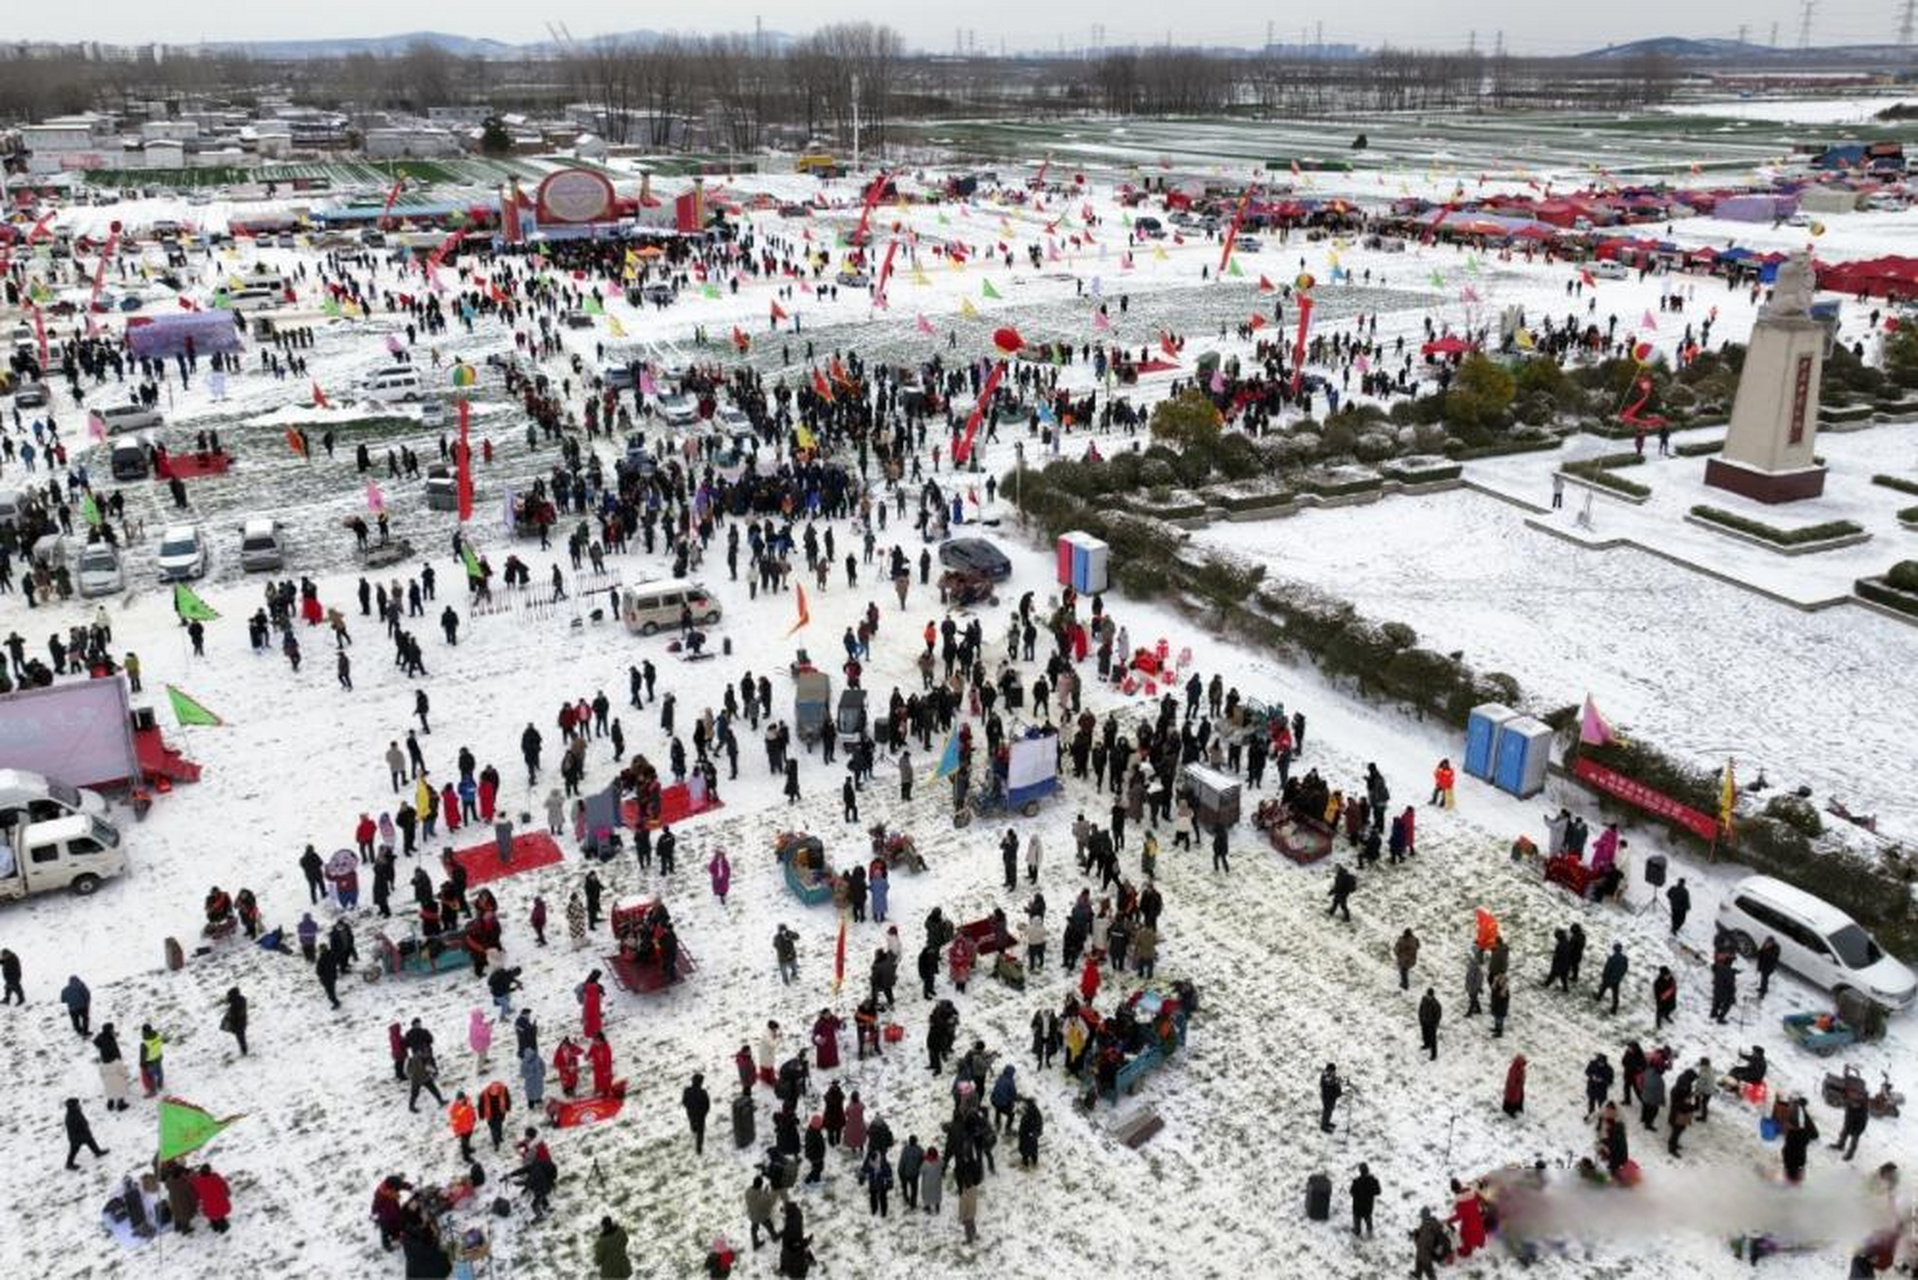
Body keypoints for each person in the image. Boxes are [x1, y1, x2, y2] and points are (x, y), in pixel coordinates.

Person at [64, 1098, 108, 1169]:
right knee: (74, 1150)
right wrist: (82, 1132)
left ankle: (97, 1152)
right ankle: (69, 1164)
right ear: (73, 1106)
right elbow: (74, 1128)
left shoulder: (76, 1111)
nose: (79, 1105)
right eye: (77, 1104)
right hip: (77, 1137)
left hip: (83, 1134)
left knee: (91, 1142)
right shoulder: (71, 1116)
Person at [1349, 1162, 1380, 1237]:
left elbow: (1351, 1192)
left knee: (1357, 1220)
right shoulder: (1373, 1181)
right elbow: (1378, 1192)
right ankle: (1369, 1231)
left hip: (1357, 1207)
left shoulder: (1356, 1181)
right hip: (1368, 1206)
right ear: (1368, 1170)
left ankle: (1357, 1231)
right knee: (1368, 1218)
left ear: (1360, 1171)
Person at [683, 1073, 711, 1154]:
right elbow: (707, 1105)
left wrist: (689, 1108)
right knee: (700, 1132)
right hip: (700, 1115)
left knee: (692, 1122)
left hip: (691, 1112)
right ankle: (699, 1148)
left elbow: (684, 1101)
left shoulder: (687, 1090)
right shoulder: (703, 1093)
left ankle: (693, 1129)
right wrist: (704, 1114)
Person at [1417, 988, 1441, 1061]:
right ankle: (1426, 1044)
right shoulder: (1423, 1000)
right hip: (1424, 1022)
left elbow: (1438, 1015)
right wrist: (1421, 1019)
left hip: (1431, 1024)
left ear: (1432, 996)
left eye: (1430, 996)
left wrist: (1435, 1024)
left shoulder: (1436, 1004)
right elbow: (1420, 1010)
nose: (1428, 997)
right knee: (1425, 1034)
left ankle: (1434, 1054)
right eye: (1428, 995)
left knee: (1433, 1039)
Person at [1319, 1063, 1342, 1133]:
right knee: (1327, 1111)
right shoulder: (1326, 1076)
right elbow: (1329, 1085)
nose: (1333, 1072)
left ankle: (1327, 1122)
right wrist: (1335, 1083)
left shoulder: (1331, 1075)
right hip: (1327, 1097)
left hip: (1332, 1097)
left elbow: (1335, 1082)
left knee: (1330, 1110)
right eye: (1332, 1071)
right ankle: (1323, 1126)